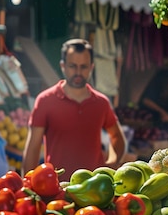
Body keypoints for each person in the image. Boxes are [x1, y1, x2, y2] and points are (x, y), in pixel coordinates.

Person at [22, 38, 127, 181]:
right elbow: (33, 148)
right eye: (72, 66)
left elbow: (117, 137)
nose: (78, 72)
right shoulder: (45, 100)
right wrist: (28, 185)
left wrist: (111, 164)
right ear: (62, 66)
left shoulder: (101, 103)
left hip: (95, 190)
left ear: (91, 67)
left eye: (83, 67)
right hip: (56, 189)